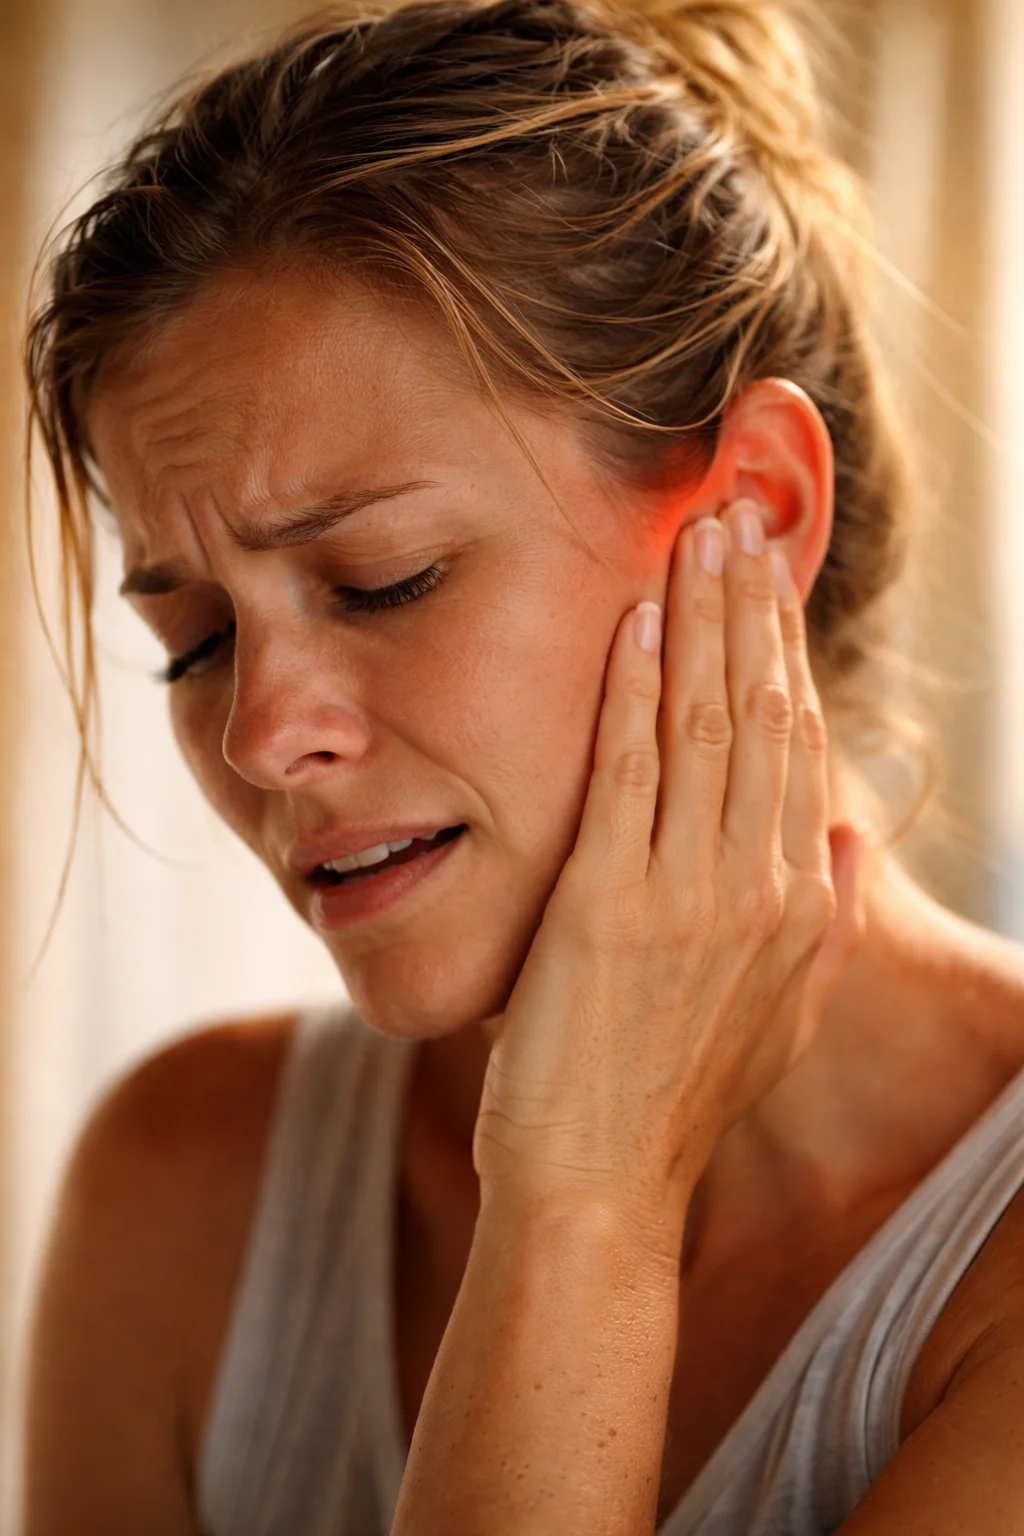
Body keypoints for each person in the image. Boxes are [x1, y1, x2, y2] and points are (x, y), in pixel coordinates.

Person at [20, 1, 1024, 1532]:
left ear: (749, 511)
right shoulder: (180, 1195)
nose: (260, 734)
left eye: (385, 579)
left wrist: (585, 1200)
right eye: (198, 636)